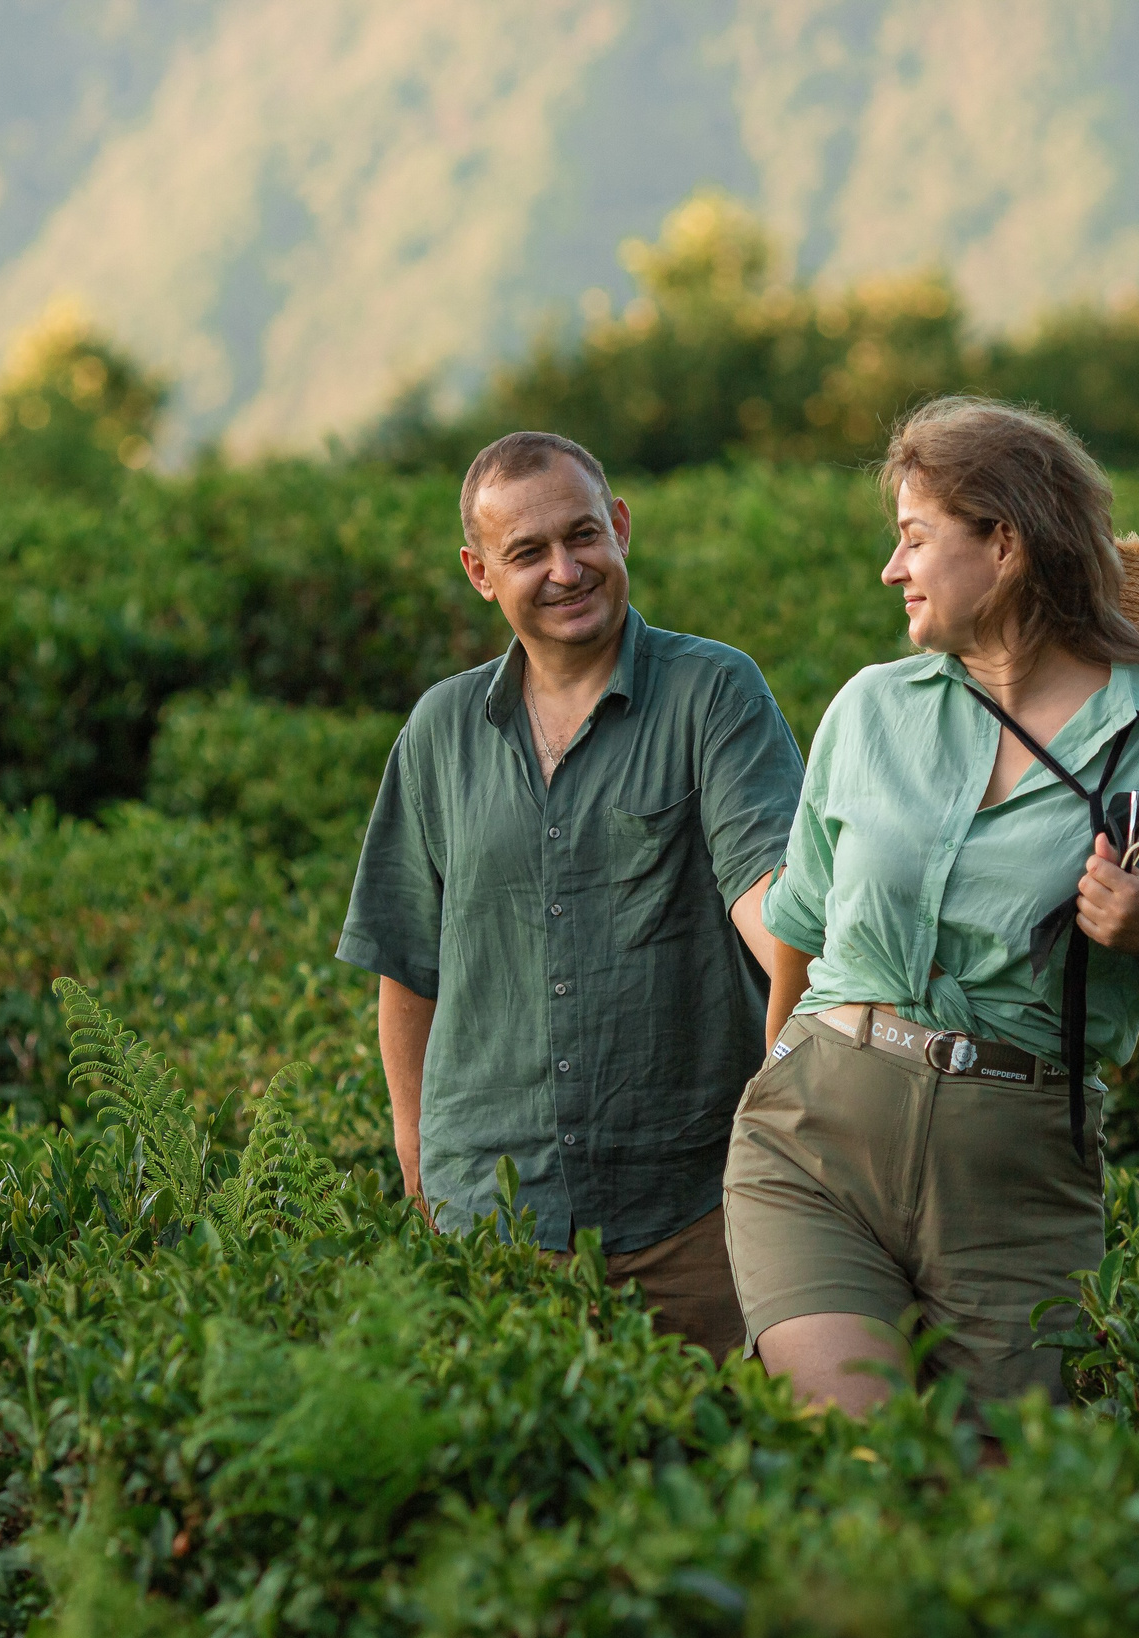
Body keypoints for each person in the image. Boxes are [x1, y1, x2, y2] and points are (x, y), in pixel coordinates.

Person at [726, 397, 1139, 1417]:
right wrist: (776, 1073)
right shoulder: (868, 709)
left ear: (1006, 545)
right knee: (863, 1448)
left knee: (988, 1495)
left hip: (1017, 1179)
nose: (893, 570)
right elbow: (799, 926)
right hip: (813, 1143)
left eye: (915, 540)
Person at [339, 431, 806, 1360]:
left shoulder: (713, 694)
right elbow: (407, 957)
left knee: (727, 1473)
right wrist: (414, 1142)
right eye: (527, 553)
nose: (565, 570)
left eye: (583, 536)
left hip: (695, 1206)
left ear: (621, 529)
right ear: (480, 572)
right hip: (495, 1214)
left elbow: (771, 899)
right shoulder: (440, 731)